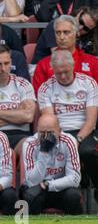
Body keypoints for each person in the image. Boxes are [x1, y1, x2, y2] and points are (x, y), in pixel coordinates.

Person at [38, 49, 98, 197]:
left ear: (73, 66)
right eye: (59, 73)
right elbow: (49, 122)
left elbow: (91, 121)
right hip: (58, 132)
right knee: (51, 152)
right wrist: (66, 140)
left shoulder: (88, 83)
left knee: (88, 152)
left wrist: (76, 140)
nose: (63, 77)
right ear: (52, 69)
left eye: (66, 71)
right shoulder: (46, 88)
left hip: (83, 131)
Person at [21, 113, 82, 215]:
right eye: (42, 132)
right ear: (36, 130)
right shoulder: (29, 144)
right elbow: (32, 181)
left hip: (60, 188)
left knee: (73, 195)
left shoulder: (69, 141)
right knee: (30, 195)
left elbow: (75, 178)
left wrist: (48, 184)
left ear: (59, 131)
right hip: (38, 190)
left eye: (50, 132)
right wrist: (44, 152)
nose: (45, 137)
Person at [32, 15, 98, 94]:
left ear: (76, 34)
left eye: (66, 32)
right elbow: (38, 96)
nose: (62, 37)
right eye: (58, 33)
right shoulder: (43, 64)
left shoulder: (93, 62)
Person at [32, 6, 98, 63]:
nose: (80, 28)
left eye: (86, 28)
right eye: (81, 21)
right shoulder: (58, 25)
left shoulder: (87, 37)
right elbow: (59, 57)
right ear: (78, 14)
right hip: (42, 67)